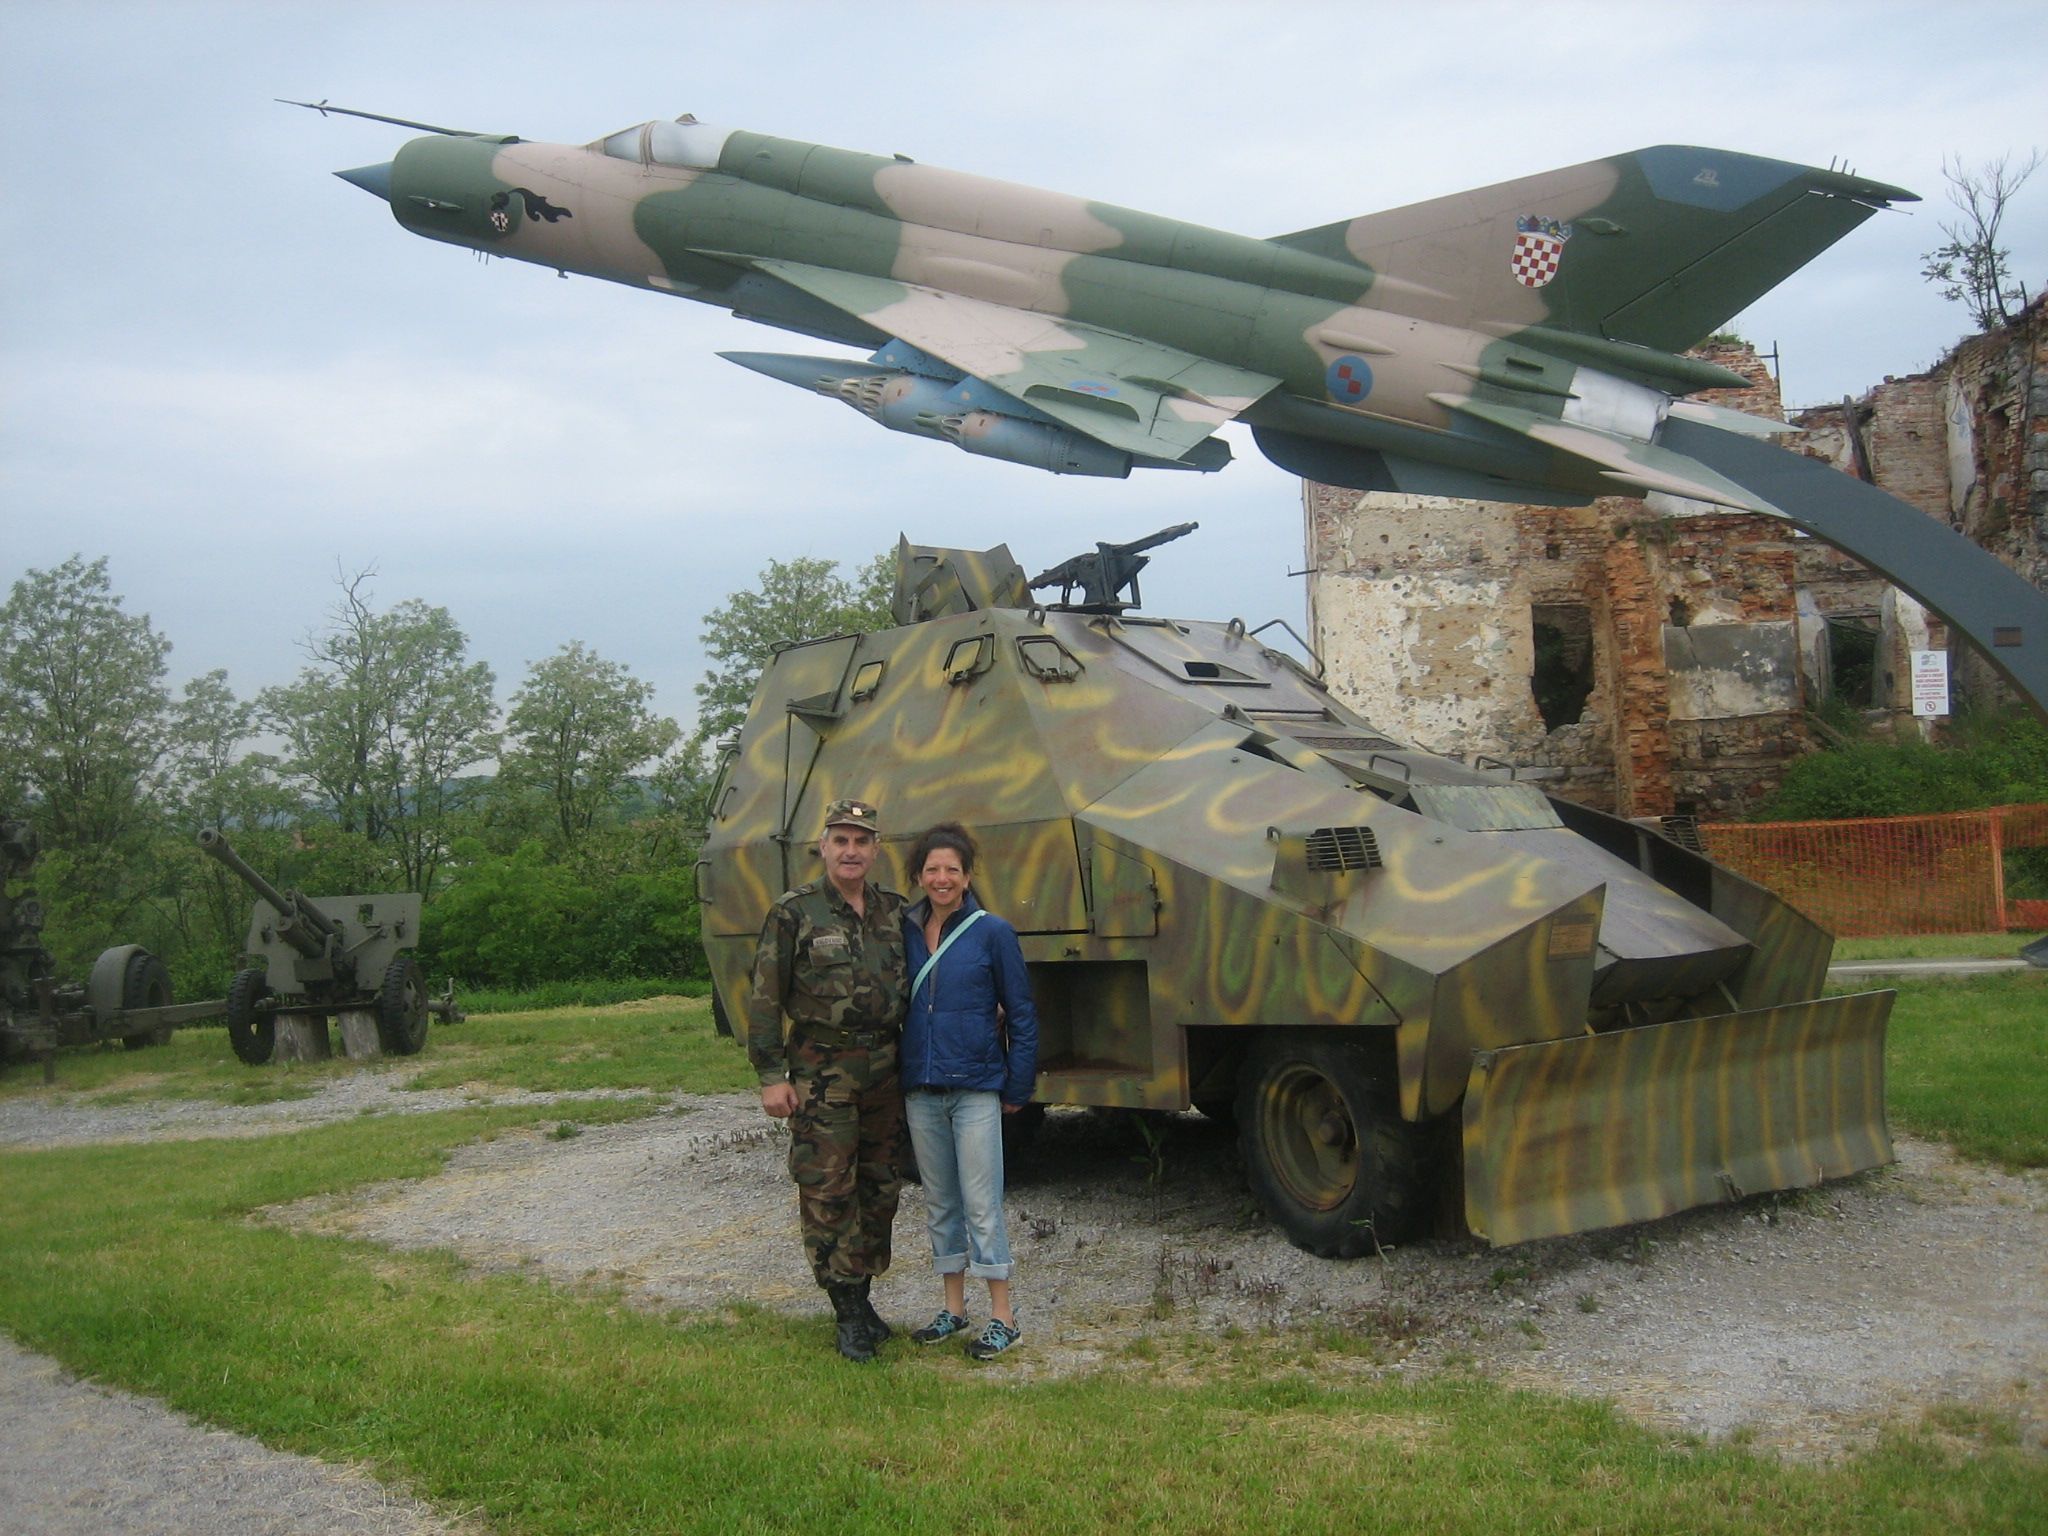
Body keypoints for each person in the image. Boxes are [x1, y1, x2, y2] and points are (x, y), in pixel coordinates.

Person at [745, 797, 910, 1362]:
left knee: (880, 1187)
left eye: (862, 841)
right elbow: (765, 997)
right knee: (828, 1189)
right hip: (822, 1072)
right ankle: (846, 1309)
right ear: (822, 846)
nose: (851, 851)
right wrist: (771, 1074)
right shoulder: (795, 912)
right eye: (841, 840)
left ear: (875, 849)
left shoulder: (894, 910)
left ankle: (863, 1295)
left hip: (886, 1072)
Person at [898, 822, 1038, 1359]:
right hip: (921, 1087)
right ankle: (953, 1310)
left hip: (976, 1085)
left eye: (951, 870)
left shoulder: (992, 932)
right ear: (918, 875)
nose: (941, 878)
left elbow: (1021, 1011)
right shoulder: (904, 932)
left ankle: (1003, 1316)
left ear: (967, 876)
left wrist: (1017, 1083)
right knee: (940, 1203)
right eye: (932, 869)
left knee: (983, 1204)